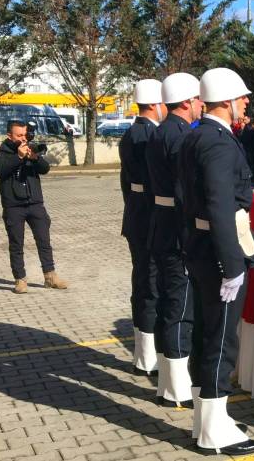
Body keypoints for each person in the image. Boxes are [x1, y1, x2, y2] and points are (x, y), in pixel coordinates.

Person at [178, 67, 254, 456]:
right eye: (242, 97)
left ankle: (207, 419)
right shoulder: (216, 142)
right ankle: (214, 430)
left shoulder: (197, 135)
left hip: (199, 246)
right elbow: (219, 205)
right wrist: (231, 265)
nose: (246, 102)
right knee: (220, 339)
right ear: (227, 101)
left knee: (204, 334)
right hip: (218, 251)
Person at [146, 72, 203, 407]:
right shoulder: (179, 135)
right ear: (186, 101)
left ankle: (168, 385)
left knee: (171, 303)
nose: (200, 105)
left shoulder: (160, 131)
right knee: (180, 308)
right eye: (197, 99)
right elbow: (186, 190)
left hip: (161, 223)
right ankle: (178, 389)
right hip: (178, 229)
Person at [119, 79, 165, 376]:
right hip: (148, 219)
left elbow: (127, 184)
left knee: (143, 282)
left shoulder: (131, 133)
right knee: (149, 285)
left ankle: (143, 354)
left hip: (136, 216)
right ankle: (147, 357)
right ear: (154, 104)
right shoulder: (148, 135)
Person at [0, 119, 69, 294]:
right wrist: (19, 157)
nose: (23, 139)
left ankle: (50, 276)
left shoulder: (30, 149)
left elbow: (45, 169)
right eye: (18, 135)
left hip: (35, 204)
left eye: (24, 135)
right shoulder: (1, 154)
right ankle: (20, 279)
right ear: (9, 136)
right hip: (13, 206)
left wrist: (34, 158)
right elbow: (2, 170)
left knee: (44, 241)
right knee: (16, 244)